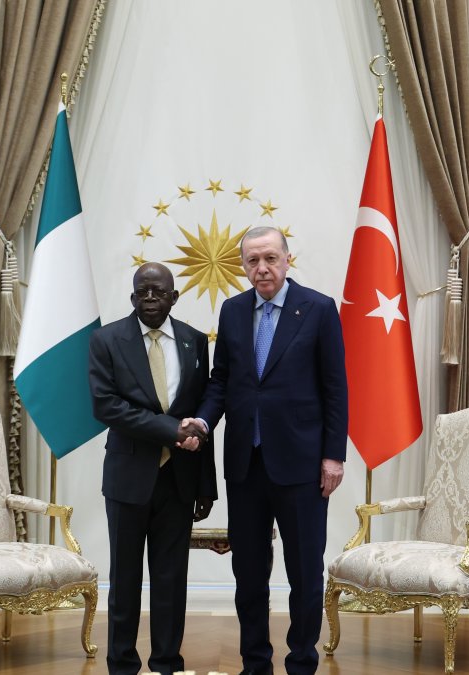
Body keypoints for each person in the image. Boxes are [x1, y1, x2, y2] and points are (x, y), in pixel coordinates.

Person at [187, 226, 347, 675]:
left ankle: (301, 663)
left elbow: (335, 389)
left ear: (287, 260)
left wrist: (333, 455)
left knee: (303, 573)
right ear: (243, 266)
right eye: (253, 261)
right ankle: (254, 664)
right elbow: (222, 382)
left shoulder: (317, 309)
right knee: (249, 576)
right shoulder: (234, 310)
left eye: (270, 259)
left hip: (301, 466)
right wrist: (202, 421)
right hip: (245, 465)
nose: (262, 268)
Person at [88, 262, 216, 675]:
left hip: (178, 482)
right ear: (131, 297)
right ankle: (122, 664)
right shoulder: (107, 340)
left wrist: (205, 487)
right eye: (141, 292)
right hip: (128, 479)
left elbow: (200, 416)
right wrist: (171, 430)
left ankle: (167, 663)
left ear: (173, 297)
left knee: (170, 581)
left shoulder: (195, 342)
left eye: (157, 292)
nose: (149, 299)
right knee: (124, 580)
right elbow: (107, 407)